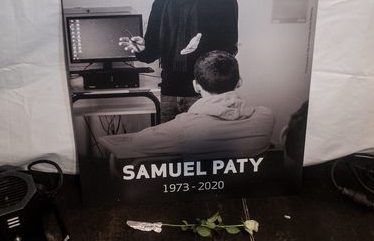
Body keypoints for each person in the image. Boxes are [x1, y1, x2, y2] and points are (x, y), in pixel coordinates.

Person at [119, 0, 238, 123]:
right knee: (170, 151)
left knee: (200, 151)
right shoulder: (163, 0)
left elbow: (229, 52)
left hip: (206, 95)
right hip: (169, 92)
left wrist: (203, 47)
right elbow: (152, 53)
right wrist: (141, 48)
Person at [98, 51, 273, 160]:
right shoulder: (265, 118)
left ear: (196, 86)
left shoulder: (184, 127)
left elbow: (139, 143)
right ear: (239, 82)